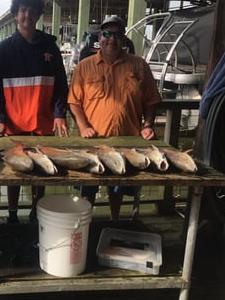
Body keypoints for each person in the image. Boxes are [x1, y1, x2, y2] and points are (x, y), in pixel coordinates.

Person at [67, 15, 161, 220]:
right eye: (107, 34)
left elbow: (151, 100)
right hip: (93, 141)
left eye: (117, 34)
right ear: (100, 38)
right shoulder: (84, 66)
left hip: (127, 140)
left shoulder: (139, 65)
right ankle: (85, 223)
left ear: (124, 39)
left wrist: (148, 125)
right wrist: (83, 126)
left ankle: (114, 220)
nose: (112, 39)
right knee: (88, 188)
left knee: (118, 188)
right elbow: (74, 101)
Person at [0, 0, 69, 224]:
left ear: (38, 15)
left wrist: (59, 114)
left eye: (32, 11)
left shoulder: (50, 48)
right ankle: (12, 213)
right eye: (22, 10)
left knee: (42, 168)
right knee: (16, 170)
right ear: (15, 15)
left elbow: (61, 84)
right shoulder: (2, 51)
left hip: (43, 120)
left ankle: (37, 211)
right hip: (12, 123)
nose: (27, 15)